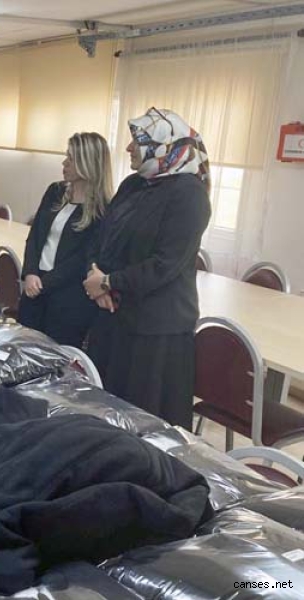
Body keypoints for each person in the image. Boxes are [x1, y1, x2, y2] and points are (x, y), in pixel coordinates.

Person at [83, 108, 211, 429]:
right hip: (114, 316)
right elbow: (103, 237)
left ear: (164, 146)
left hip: (155, 332)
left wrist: (108, 282)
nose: (128, 148)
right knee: (104, 413)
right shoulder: (133, 184)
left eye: (138, 142)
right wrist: (97, 279)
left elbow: (165, 264)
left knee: (143, 424)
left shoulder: (190, 194)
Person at [18, 132, 112, 347]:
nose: (64, 163)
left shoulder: (103, 208)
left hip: (68, 297)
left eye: (71, 158)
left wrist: (44, 283)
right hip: (35, 286)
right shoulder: (55, 191)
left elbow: (83, 258)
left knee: (56, 355)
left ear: (88, 163)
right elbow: (35, 237)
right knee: (24, 349)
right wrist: (30, 272)